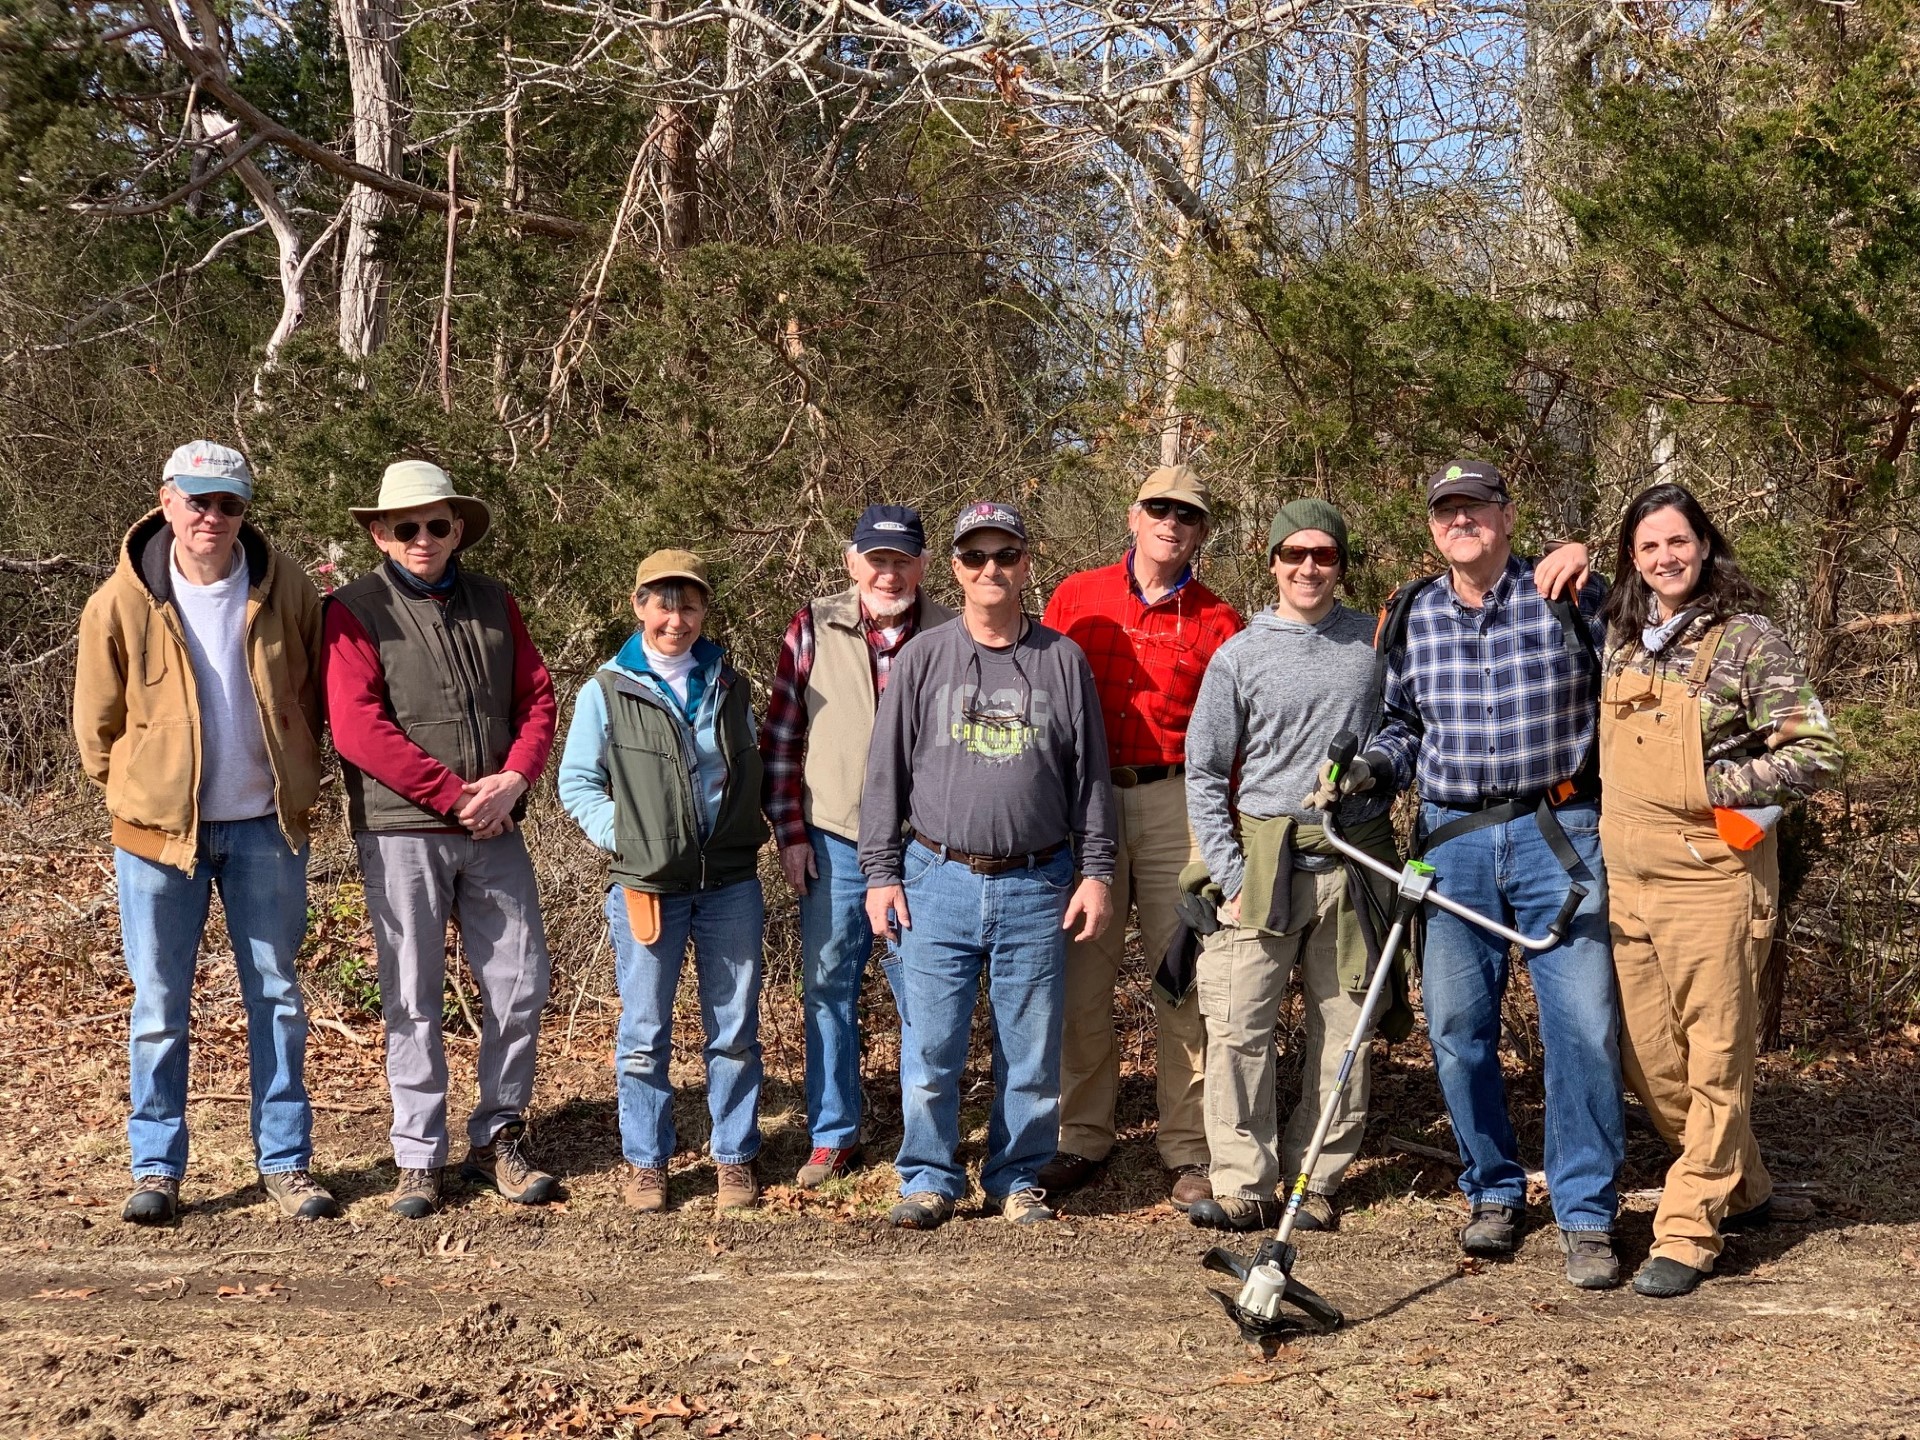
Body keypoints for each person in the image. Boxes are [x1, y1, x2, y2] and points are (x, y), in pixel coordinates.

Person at [1333, 459, 1619, 1289]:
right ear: (1432, 525)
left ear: (1507, 514)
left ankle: (1587, 1211)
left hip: (1558, 832)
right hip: (1450, 840)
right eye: (1446, 510)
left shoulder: (1570, 594)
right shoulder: (1413, 611)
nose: (1462, 520)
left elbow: (1663, 614)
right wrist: (1374, 772)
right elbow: (1401, 724)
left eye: (1477, 507)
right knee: (1457, 1031)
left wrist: (1594, 553)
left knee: (1584, 1027)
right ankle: (1492, 1188)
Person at [74, 440, 337, 1224]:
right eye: (198, 501)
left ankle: (286, 1163)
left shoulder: (286, 587)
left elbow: (314, 693)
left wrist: (298, 777)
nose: (212, 518)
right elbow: (97, 728)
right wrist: (141, 794)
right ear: (167, 501)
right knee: (159, 1006)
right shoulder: (118, 602)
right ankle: (157, 1169)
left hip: (266, 828)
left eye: (229, 504)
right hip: (158, 840)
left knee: (279, 1000)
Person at [1596, 483, 1842, 1297]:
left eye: (1677, 541)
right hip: (1627, 875)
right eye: (1647, 547)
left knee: (1716, 1057)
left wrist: (1718, 787)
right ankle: (1749, 1187)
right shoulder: (1626, 638)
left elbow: (1816, 754)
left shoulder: (1747, 640)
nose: (1665, 558)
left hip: (1711, 875)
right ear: (1632, 561)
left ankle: (1692, 1227)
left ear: (1704, 543)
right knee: (1648, 1058)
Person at [860, 501, 1118, 1229]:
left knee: (1031, 1050)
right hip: (935, 877)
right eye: (975, 558)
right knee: (932, 1045)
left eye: (1005, 555)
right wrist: (881, 874)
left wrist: (1095, 871)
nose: (991, 570)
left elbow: (1091, 780)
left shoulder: (1060, 660)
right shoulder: (923, 657)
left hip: (1039, 881)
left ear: (1026, 564)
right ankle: (928, 1176)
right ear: (956, 570)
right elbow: (884, 777)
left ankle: (1017, 1176)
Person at [324, 461, 560, 1218]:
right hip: (405, 831)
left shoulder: (497, 602)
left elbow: (537, 696)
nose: (422, 538)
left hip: (496, 823)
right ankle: (419, 1155)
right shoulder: (353, 610)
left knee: (520, 985)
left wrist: (517, 779)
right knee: (412, 995)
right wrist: (454, 795)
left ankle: (500, 1136)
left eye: (436, 524)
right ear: (379, 534)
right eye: (405, 527)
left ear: (458, 528)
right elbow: (358, 727)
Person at [1182, 499, 1400, 1233]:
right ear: (1271, 562)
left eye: (1325, 555)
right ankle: (1244, 1182)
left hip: (1353, 858)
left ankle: (1315, 1179)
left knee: (1346, 1027)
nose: (1309, 567)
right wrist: (1233, 874)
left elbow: (1405, 735)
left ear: (1341, 563)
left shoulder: (1373, 646)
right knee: (1241, 1025)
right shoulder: (1240, 654)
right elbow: (1205, 772)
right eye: (1294, 554)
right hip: (1263, 861)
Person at [1038, 467, 1243, 1209]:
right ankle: (1080, 1135)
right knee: (1082, 975)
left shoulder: (1219, 620)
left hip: (1176, 803)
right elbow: (1039, 696)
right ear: (1133, 516)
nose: (1170, 523)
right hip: (1084, 803)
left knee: (1181, 976)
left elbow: (1236, 738)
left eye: (1186, 515)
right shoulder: (1077, 596)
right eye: (1158, 508)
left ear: (1199, 533)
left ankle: (1188, 1146)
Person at [559, 550, 770, 1214]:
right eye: (662, 602)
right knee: (644, 1032)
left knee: (733, 1028)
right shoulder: (607, 689)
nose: (675, 617)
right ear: (638, 606)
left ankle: (734, 1157)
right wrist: (632, 839)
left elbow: (748, 771)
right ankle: (647, 1162)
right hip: (646, 887)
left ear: (704, 611)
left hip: (729, 881)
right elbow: (576, 783)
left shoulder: (729, 685)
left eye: (689, 604)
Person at [760, 505, 954, 1188]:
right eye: (877, 560)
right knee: (828, 987)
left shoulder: (953, 634)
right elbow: (782, 737)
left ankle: (924, 1140)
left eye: (902, 561)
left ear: (923, 566)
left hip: (924, 846)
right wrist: (789, 832)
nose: (889, 573)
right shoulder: (814, 625)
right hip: (835, 838)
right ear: (853, 563)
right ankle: (833, 1134)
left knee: (923, 994)